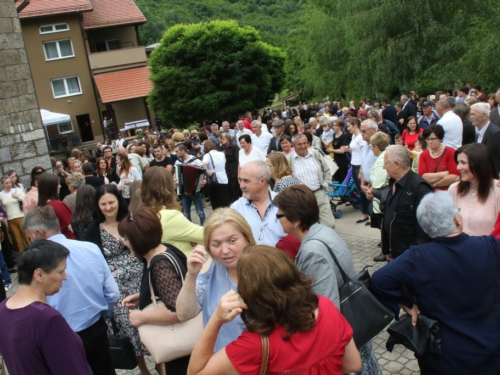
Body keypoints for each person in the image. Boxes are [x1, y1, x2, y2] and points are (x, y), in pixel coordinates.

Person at [370, 191, 500, 375]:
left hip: (442, 357)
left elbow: (378, 280)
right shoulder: (490, 246)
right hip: (489, 353)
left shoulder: (417, 257)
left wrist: (406, 303)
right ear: (458, 219)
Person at [187, 245, 362, 375]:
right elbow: (353, 364)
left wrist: (216, 320)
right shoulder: (325, 306)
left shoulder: (255, 345)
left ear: (250, 293)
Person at [273, 185, 382, 375]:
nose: (277, 219)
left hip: (347, 342)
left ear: (296, 220)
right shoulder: (322, 231)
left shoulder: (312, 252)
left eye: (279, 215)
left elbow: (327, 309)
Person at [22, 207, 119, 375]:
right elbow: (112, 293)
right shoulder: (90, 248)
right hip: (95, 328)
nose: (30, 241)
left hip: (60, 337)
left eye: (30, 237)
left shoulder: (36, 264)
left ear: (38, 232)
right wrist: (104, 315)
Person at [84, 184, 151, 375]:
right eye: (103, 204)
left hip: (142, 280)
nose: (107, 207)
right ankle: (144, 368)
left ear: (118, 201)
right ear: (97, 206)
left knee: (152, 323)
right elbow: (93, 261)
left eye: (111, 202)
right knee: (131, 329)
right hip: (118, 288)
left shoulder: (130, 220)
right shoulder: (93, 229)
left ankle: (162, 363)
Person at [0, 240, 93, 375]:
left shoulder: (3, 309)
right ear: (39, 275)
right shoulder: (47, 319)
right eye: (60, 271)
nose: (65, 277)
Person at [120, 208, 190, 374]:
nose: (124, 243)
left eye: (127, 238)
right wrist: (144, 296)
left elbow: (178, 312)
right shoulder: (166, 248)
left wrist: (141, 316)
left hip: (182, 351)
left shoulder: (160, 265)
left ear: (138, 239)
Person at [176, 208, 256, 352]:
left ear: (247, 238)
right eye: (216, 244)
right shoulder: (211, 267)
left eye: (232, 241)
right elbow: (184, 313)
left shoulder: (264, 268)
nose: (225, 250)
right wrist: (191, 275)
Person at [382, 145, 433, 260]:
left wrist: (416, 257)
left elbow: (425, 229)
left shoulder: (420, 188)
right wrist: (387, 248)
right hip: (395, 253)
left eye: (386, 163)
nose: (383, 167)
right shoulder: (394, 183)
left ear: (397, 164)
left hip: (410, 257)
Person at [140, 167, 203, 256]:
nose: (175, 184)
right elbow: (206, 235)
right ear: (167, 187)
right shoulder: (170, 216)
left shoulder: (142, 214)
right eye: (173, 181)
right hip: (184, 266)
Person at [448, 143, 500, 236]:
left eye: (463, 163)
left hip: (490, 248)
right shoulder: (454, 189)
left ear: (479, 164)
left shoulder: (497, 190)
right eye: (458, 162)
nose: (458, 167)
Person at [231, 161, 286, 246]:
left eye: (246, 181)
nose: (241, 186)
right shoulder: (236, 208)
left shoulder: (284, 203)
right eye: (240, 180)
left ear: (262, 182)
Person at [288, 133, 336, 229]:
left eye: (305, 143)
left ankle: (328, 242)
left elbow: (327, 170)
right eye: (299, 144)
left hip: (319, 193)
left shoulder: (315, 154)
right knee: (309, 226)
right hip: (303, 198)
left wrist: (326, 185)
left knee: (329, 224)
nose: (303, 146)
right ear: (293, 146)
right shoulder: (289, 159)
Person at [418, 125, 460, 191]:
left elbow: (455, 177)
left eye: (433, 139)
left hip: (448, 192)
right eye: (428, 139)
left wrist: (434, 184)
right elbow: (423, 177)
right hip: (430, 193)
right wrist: (444, 174)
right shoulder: (423, 155)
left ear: (440, 139)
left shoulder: (450, 152)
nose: (430, 142)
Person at [174, 143, 206, 225]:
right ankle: (190, 228)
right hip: (184, 190)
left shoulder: (196, 161)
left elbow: (203, 172)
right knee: (186, 213)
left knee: (200, 212)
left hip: (195, 190)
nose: (175, 153)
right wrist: (175, 181)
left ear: (183, 151)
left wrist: (204, 180)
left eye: (177, 151)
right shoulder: (178, 162)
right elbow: (175, 174)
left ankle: (204, 228)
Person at [37, 173, 76, 240]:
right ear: (51, 187)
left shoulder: (40, 207)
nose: (60, 186)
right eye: (58, 184)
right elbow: (70, 226)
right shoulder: (57, 205)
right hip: (67, 239)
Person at [0, 175, 29, 251]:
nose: (8, 184)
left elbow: (26, 200)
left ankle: (33, 253)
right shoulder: (1, 195)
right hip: (10, 219)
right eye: (6, 183)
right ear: (2, 184)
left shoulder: (17, 190)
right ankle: (22, 256)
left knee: (26, 237)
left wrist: (18, 197)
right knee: (17, 240)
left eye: (10, 182)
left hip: (20, 216)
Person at [471, 102, 500, 175]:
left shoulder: (495, 132)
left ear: (483, 115)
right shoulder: (477, 131)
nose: (471, 117)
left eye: (473, 114)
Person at [202, 140, 231, 210]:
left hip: (214, 181)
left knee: (216, 203)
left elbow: (203, 164)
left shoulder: (207, 155)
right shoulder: (222, 154)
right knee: (226, 202)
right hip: (224, 178)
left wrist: (208, 172)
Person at [330, 119, 351, 183]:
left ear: (341, 127)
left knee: (343, 176)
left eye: (336, 125)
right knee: (337, 176)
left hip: (342, 160)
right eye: (333, 125)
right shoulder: (334, 135)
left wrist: (332, 150)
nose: (334, 127)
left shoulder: (343, 136)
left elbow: (342, 151)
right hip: (336, 159)